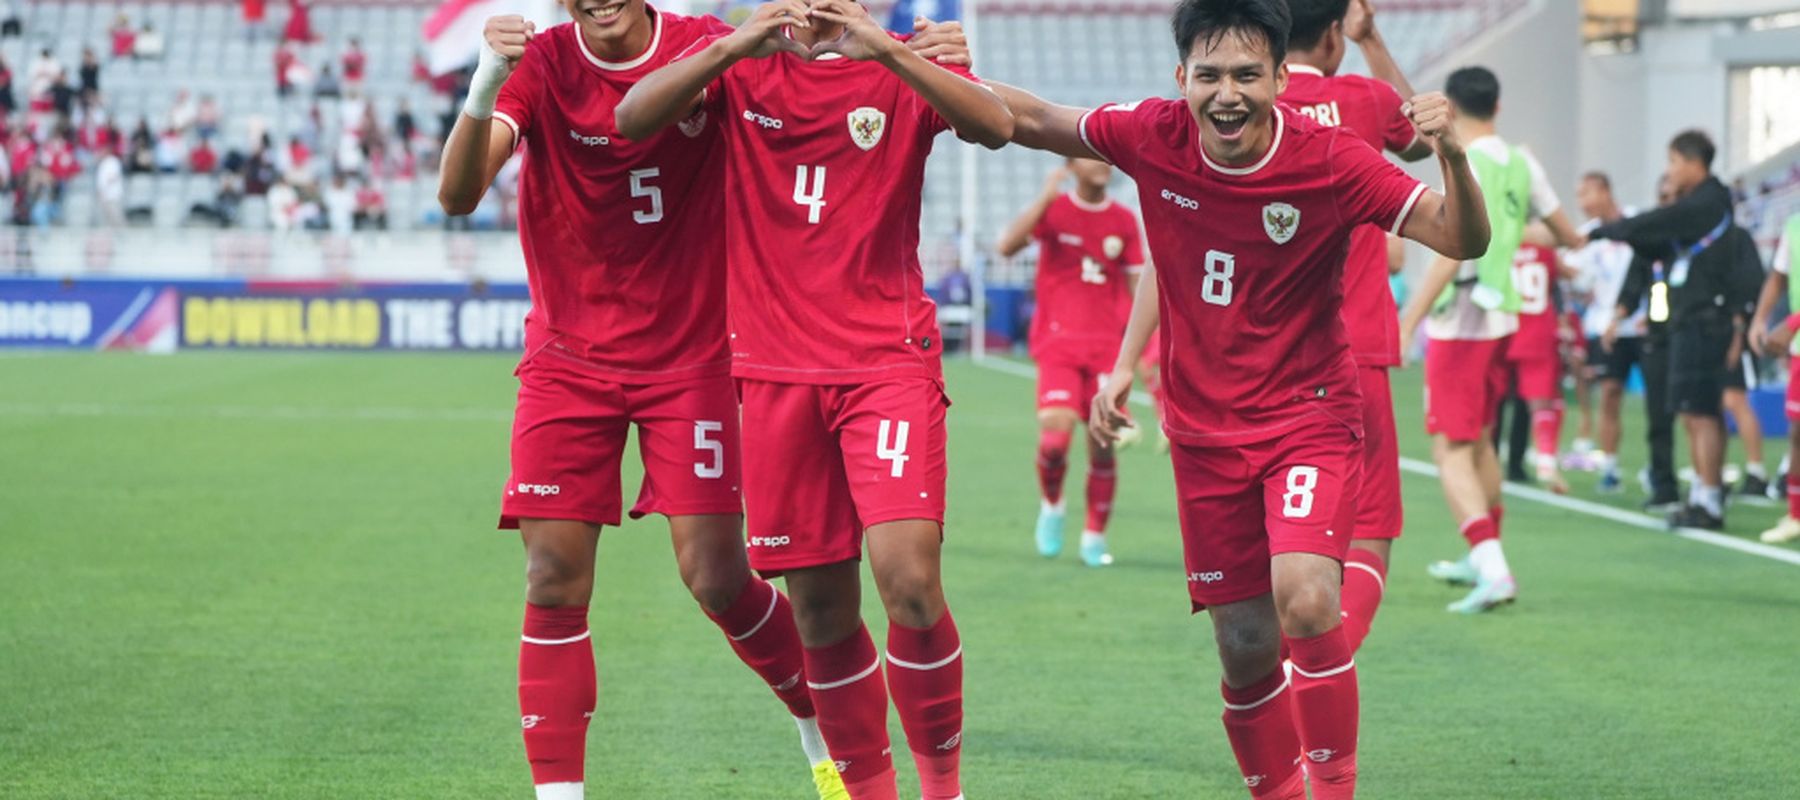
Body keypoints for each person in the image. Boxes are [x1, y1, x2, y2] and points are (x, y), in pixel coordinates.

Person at [444, 4, 971, 799]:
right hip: (569, 357)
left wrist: (902, 52)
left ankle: (812, 716)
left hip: (697, 356)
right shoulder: (545, 62)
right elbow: (457, 194)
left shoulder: (708, 44)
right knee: (551, 574)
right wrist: (486, 82)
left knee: (719, 578)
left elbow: (806, 97)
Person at [991, 0, 1491, 794]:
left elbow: (1459, 238)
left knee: (1308, 592)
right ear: (1182, 77)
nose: (1229, 93)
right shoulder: (1154, 137)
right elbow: (1033, 120)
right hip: (1204, 428)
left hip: (1313, 408)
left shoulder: (1332, 151)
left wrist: (1453, 158)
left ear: (1282, 78)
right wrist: (906, 68)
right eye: (1212, 75)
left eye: (1249, 76)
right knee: (1247, 642)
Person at [617, 6, 1006, 799]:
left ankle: (944, 790)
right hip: (772, 374)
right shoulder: (736, 61)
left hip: (883, 364)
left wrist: (893, 57)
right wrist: (734, 45)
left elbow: (994, 126)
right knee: (822, 609)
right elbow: (631, 119)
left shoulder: (905, 61)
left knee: (909, 579)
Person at [1397, 65, 1584, 614]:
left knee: (1449, 448)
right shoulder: (1523, 161)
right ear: (1497, 107)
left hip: (1461, 321)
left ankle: (1494, 566)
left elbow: (1446, 255)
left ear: (1449, 110)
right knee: (1479, 439)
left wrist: (1408, 322)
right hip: (1505, 317)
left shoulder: (1462, 160)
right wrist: (1513, 233)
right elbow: (1565, 235)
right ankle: (1479, 556)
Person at [1279, 0, 1429, 651]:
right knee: (1368, 528)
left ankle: (1282, 679)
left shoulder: (1249, 112)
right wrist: (1374, 44)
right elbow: (1424, 137)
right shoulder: (1365, 99)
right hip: (1356, 348)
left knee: (1279, 535)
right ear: (1334, 35)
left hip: (1265, 359)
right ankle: (1316, 671)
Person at [1596, 131, 1761, 529]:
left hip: (1704, 324)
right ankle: (1706, 494)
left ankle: (1709, 498)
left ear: (1691, 162)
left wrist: (1611, 227)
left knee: (1701, 414)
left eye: (1673, 163)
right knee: (1699, 413)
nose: (1670, 173)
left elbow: (1661, 221)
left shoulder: (1706, 203)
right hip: (1690, 323)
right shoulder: (1705, 211)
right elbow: (1655, 240)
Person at [997, 158, 1144, 567]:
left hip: (1106, 351)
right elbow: (1007, 246)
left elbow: (1138, 290)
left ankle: (1094, 537)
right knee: (1055, 439)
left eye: (1104, 156)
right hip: (1058, 345)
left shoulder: (1124, 220)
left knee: (1101, 448)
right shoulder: (1055, 211)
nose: (1101, 163)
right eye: (1089, 155)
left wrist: (1147, 356)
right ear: (1070, 164)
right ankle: (1052, 505)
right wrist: (1045, 197)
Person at [1567, 171, 1646, 493]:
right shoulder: (1585, 236)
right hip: (1604, 329)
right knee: (1609, 396)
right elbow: (1576, 277)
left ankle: (1658, 468)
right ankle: (1611, 468)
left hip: (1643, 324)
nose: (1581, 203)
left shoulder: (1638, 222)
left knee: (1661, 402)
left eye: (1585, 194)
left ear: (1604, 190)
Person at [1503, 224, 1574, 493]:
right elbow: (1567, 274)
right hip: (1539, 331)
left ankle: (1490, 456)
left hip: (1508, 329)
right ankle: (1545, 463)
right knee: (1542, 403)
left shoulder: (1505, 248)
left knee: (1498, 401)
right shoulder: (1546, 252)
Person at [1749, 211, 1800, 542]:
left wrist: (1792, 323)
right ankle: (1796, 514)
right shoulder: (1794, 223)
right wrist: (1760, 319)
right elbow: (1779, 275)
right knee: (1797, 432)